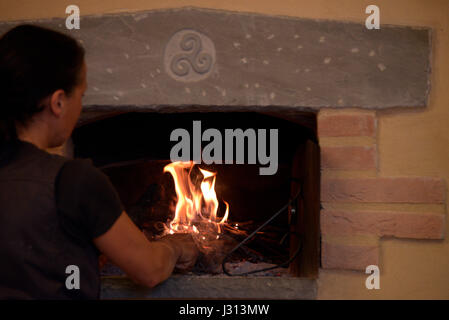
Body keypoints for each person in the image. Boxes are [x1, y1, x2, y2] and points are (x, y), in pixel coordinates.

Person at [0, 24, 199, 299]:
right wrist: (175, 245)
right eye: (81, 96)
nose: (80, 107)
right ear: (58, 102)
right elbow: (149, 270)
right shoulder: (72, 180)